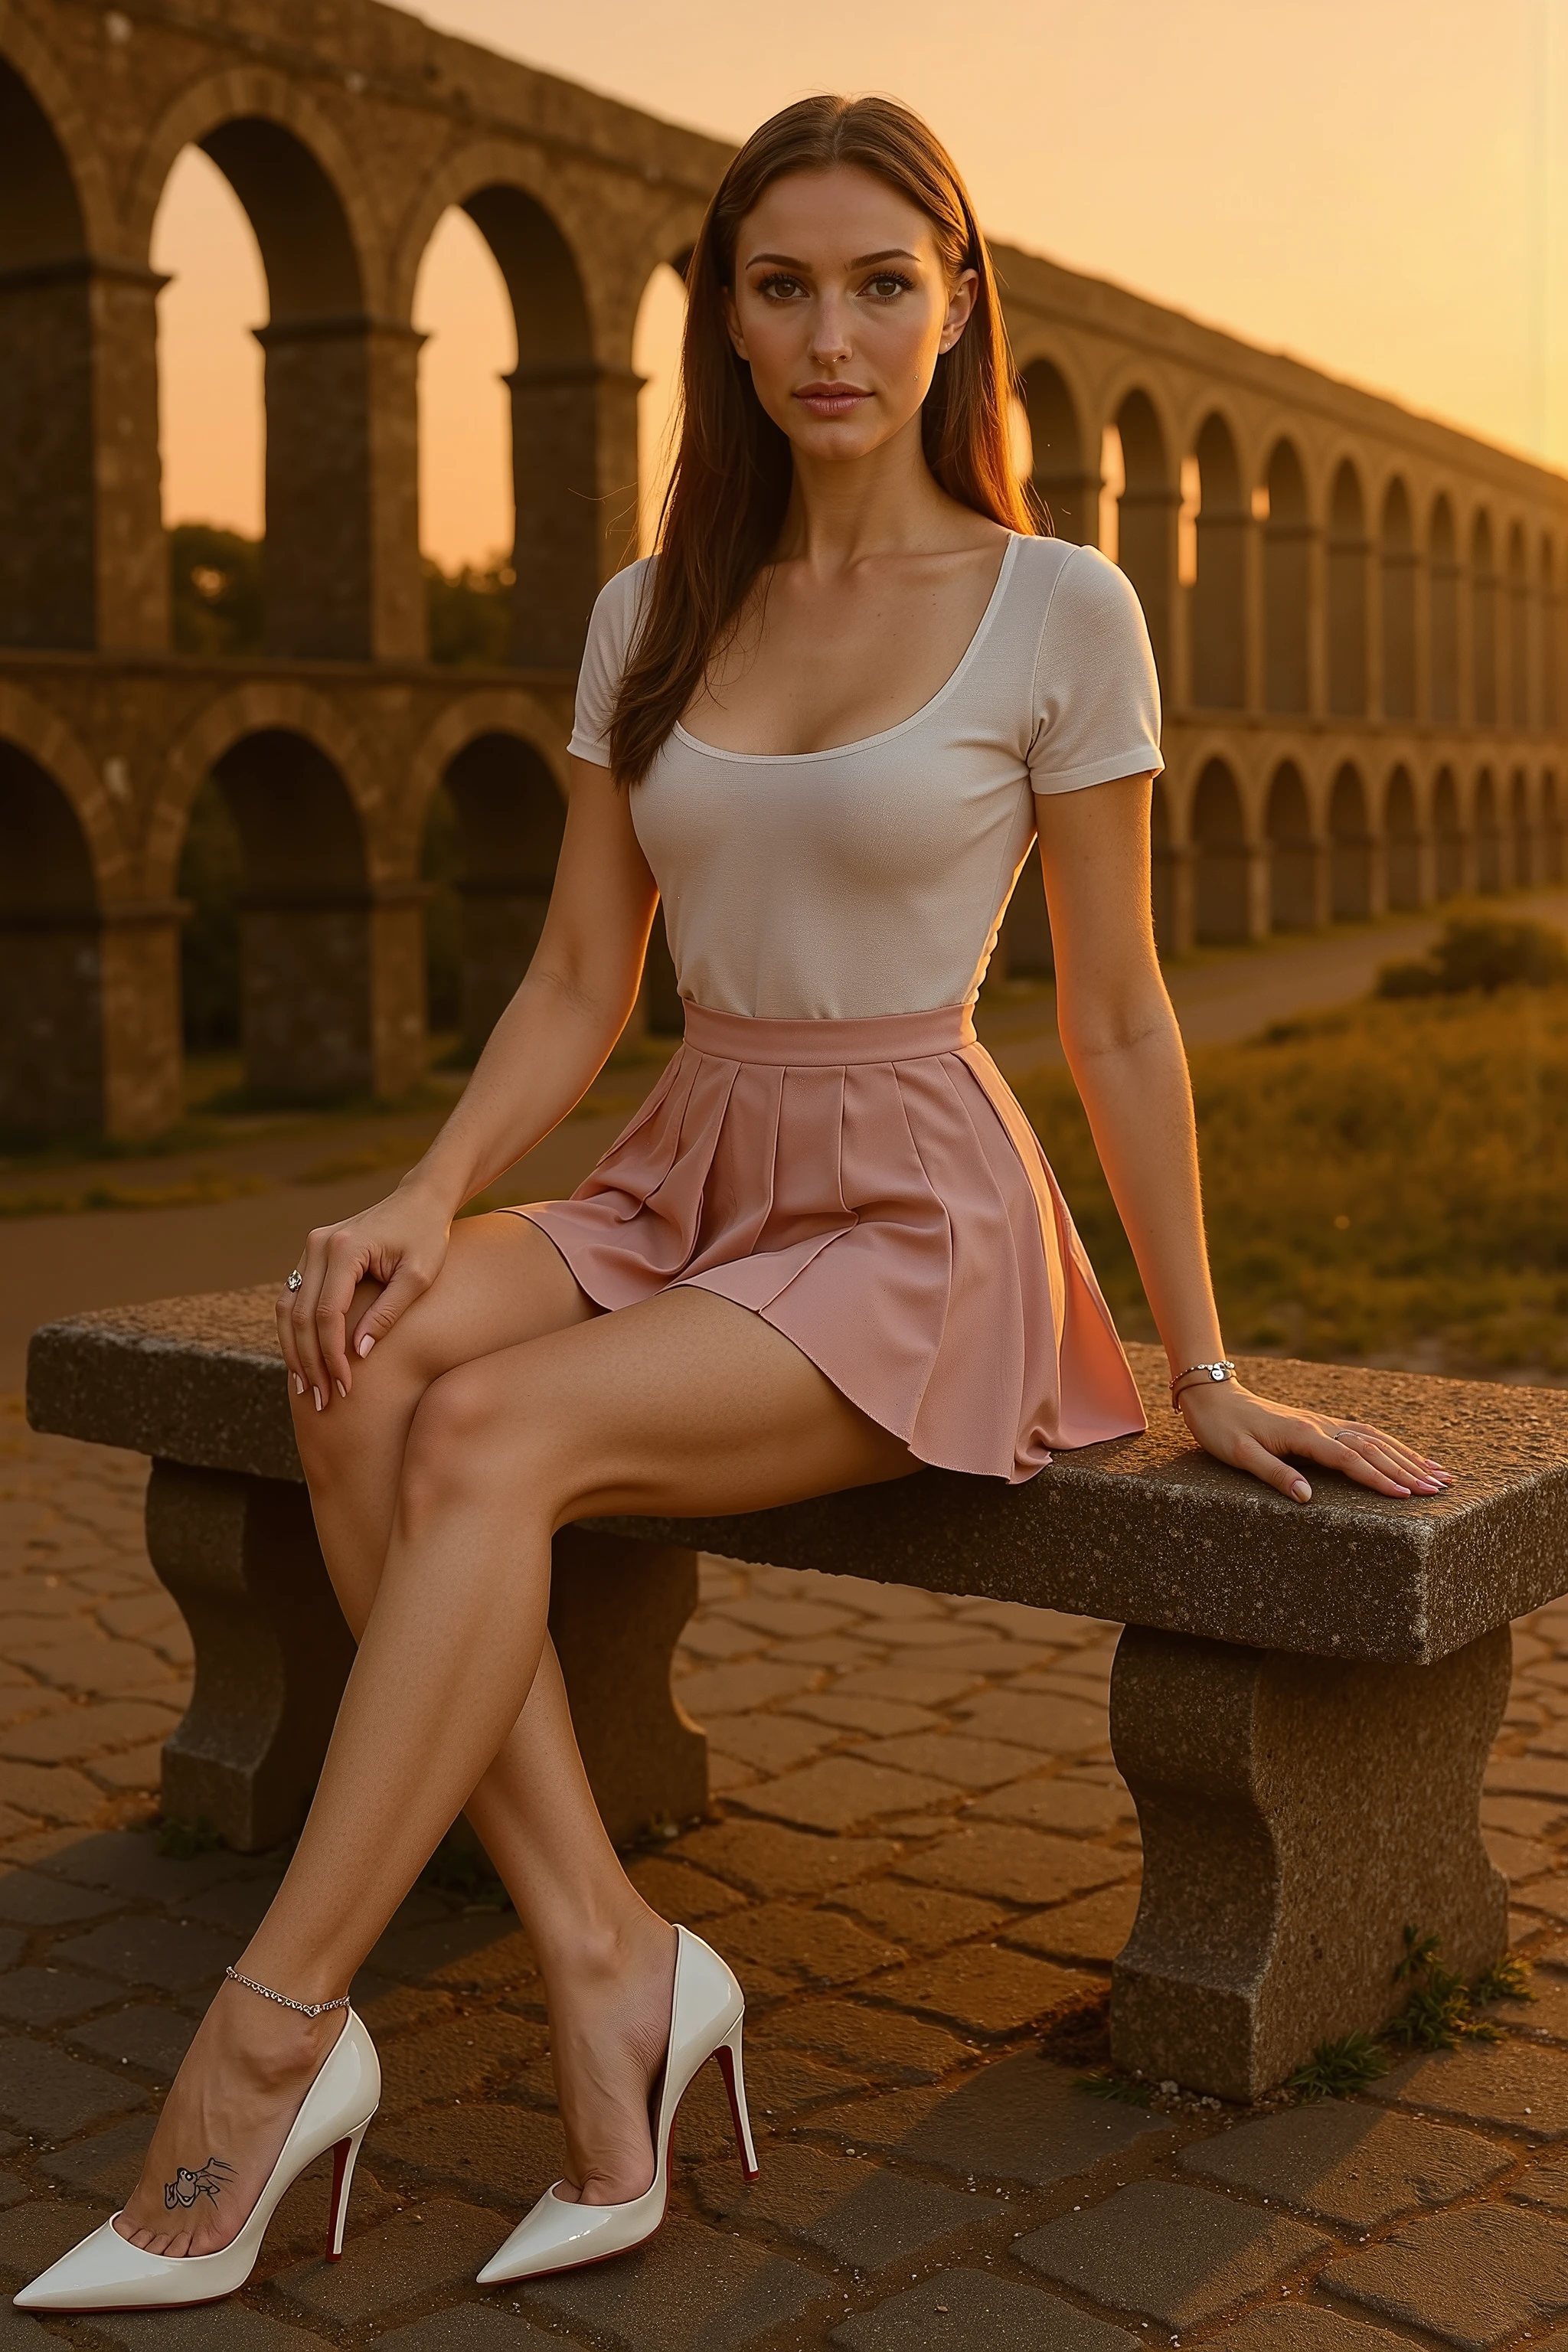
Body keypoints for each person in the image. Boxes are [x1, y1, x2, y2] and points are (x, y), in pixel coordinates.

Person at [18, 91, 1449, 2315]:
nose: (834, 332)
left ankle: (263, 2048)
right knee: (365, 1349)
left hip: (914, 1218)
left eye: (884, 280)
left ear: (961, 303)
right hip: (689, 1169)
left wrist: (1208, 1362)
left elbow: (1124, 1017)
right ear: (727, 322)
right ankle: (612, 1959)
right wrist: (422, 1186)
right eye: (782, 284)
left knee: (490, 1435)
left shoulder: (1061, 607)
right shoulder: (648, 611)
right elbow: (587, 976)